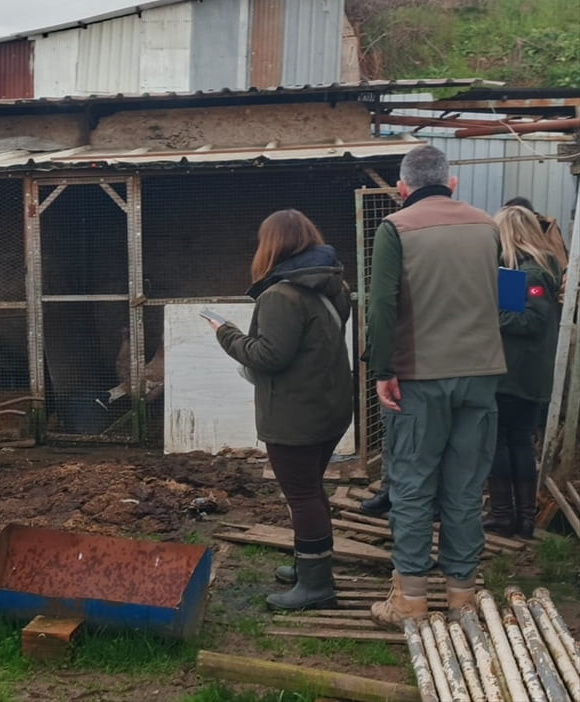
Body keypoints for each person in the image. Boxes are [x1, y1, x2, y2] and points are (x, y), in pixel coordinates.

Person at [365, 145, 505, 625]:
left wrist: (382, 370)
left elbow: (382, 305)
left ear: (401, 189)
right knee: (466, 487)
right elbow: (503, 297)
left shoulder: (396, 228)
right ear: (453, 184)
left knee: (412, 484)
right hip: (482, 375)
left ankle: (412, 598)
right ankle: (463, 593)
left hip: (420, 377)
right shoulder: (488, 226)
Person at [209, 209, 353, 611]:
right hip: (329, 406)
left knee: (302, 494)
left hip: (295, 414)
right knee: (312, 488)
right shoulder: (331, 287)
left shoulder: (281, 296)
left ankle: (316, 586)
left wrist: (226, 334)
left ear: (271, 246)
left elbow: (268, 356)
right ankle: (310, 565)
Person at [482, 206, 563, 539]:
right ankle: (521, 518)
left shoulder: (529, 275)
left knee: (503, 442)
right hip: (522, 374)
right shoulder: (521, 272)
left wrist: (486, 314)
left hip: (514, 376)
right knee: (516, 443)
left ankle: (506, 515)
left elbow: (529, 321)